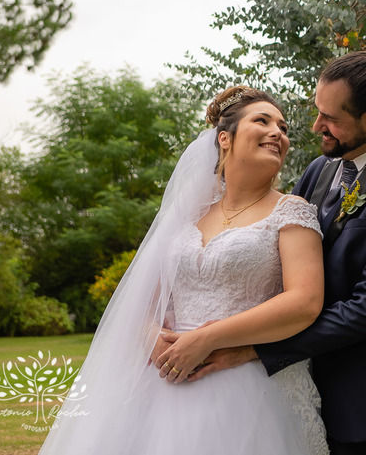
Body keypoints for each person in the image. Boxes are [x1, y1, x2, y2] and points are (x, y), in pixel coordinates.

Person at [182, 43, 366, 455]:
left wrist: (254, 349)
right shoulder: (320, 169)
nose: (316, 125)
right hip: (296, 389)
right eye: (317, 110)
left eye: (331, 118)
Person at [39, 87, 329, 455]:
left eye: (283, 128)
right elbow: (142, 298)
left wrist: (206, 339)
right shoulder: (188, 212)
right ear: (224, 138)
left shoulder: (292, 210)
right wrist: (152, 338)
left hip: (252, 388)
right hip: (163, 382)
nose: (278, 133)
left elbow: (304, 302)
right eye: (263, 121)